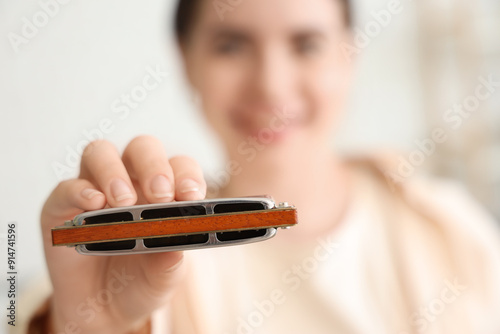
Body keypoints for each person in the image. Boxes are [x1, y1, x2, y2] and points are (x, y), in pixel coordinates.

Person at [20, 0, 500, 333]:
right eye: (231, 45)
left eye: (306, 44)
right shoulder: (117, 265)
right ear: (186, 61)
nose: (271, 84)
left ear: (350, 55)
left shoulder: (455, 234)